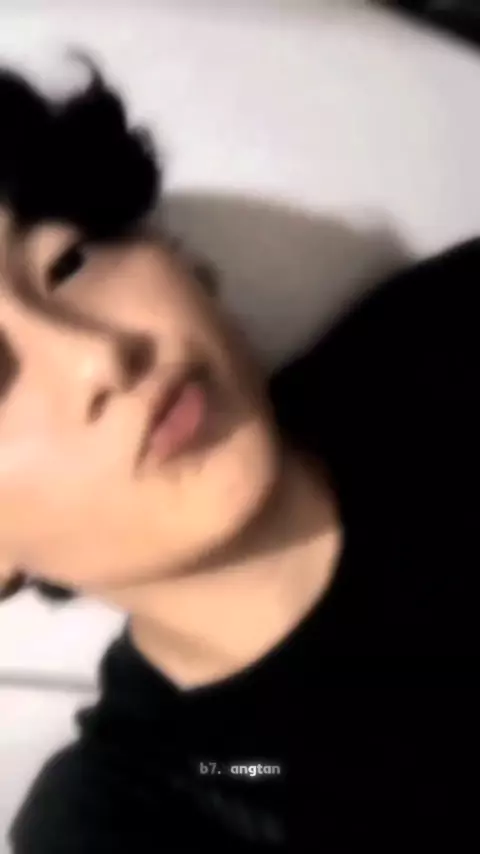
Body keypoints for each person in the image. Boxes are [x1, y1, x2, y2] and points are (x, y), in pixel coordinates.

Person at [1, 60, 478, 854]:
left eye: (68, 262)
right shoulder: (144, 814)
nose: (99, 358)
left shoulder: (457, 333)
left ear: (185, 263)